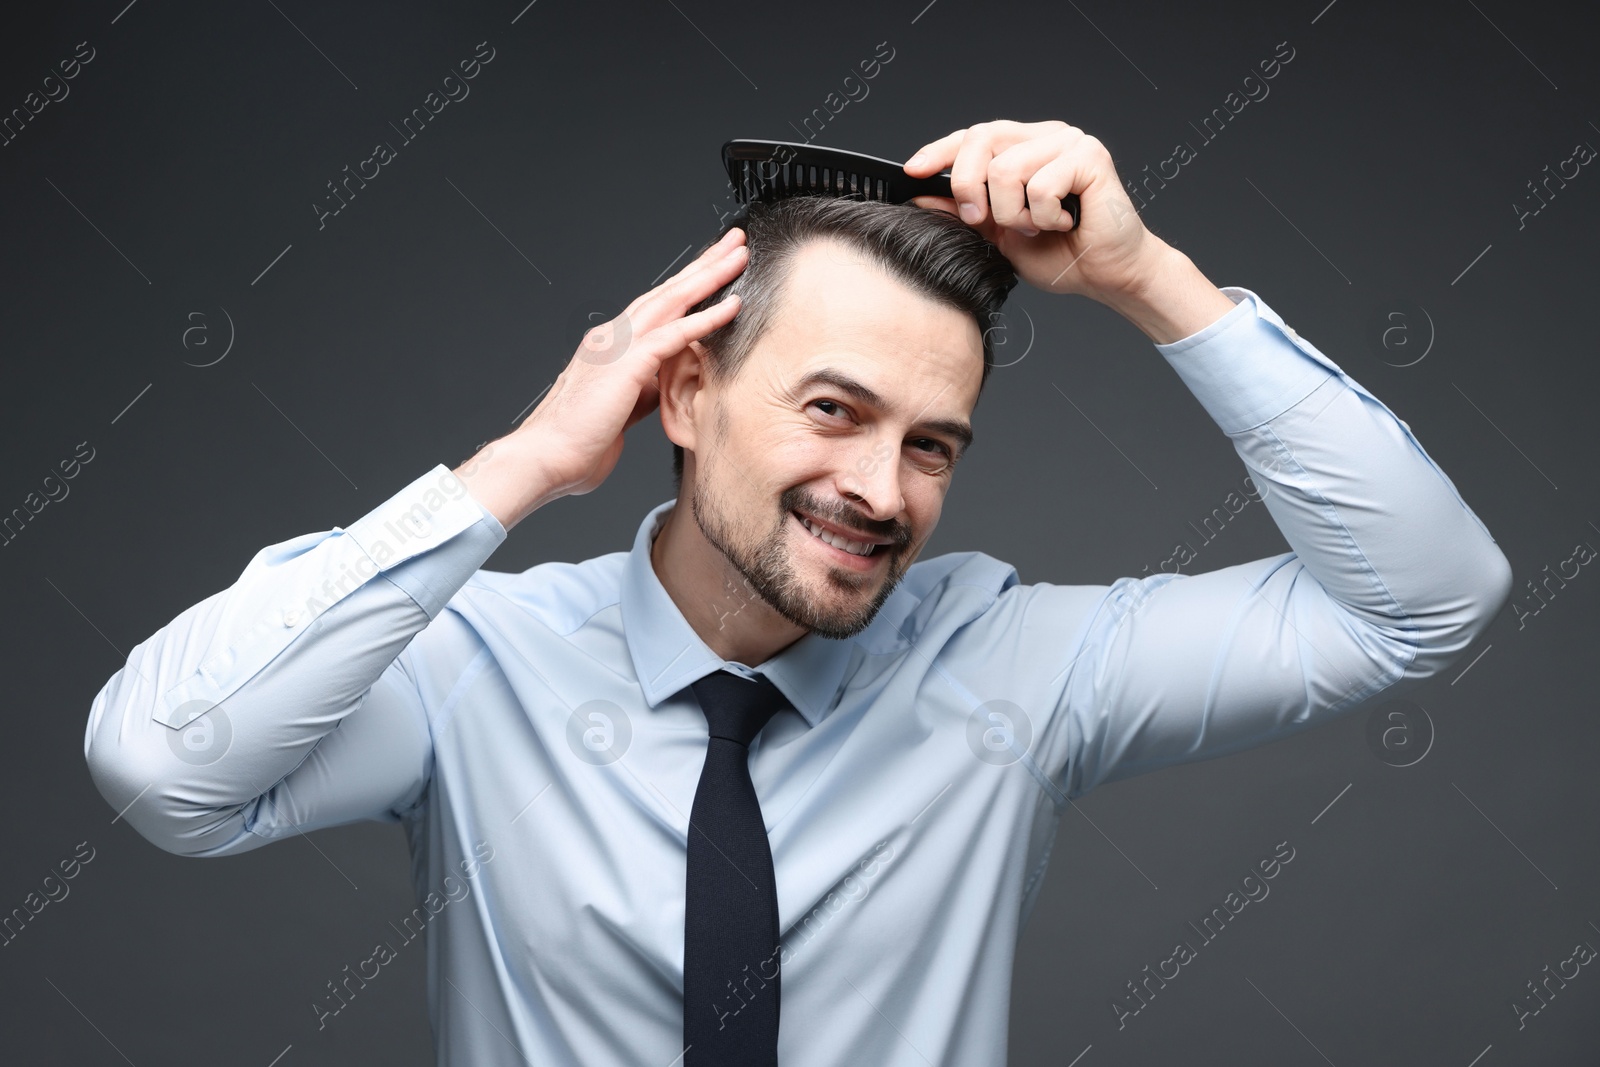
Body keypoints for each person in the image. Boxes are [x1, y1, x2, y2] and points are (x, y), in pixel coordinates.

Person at [83, 119, 1512, 1065]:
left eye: (931, 443)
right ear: (682, 394)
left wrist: (1151, 282)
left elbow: (1425, 600)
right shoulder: (476, 670)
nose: (884, 491)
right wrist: (516, 469)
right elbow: (164, 766)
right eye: (833, 409)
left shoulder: (1015, 665)